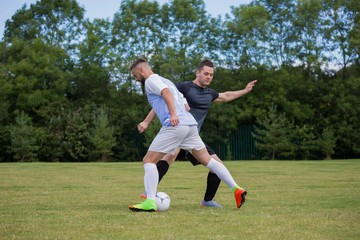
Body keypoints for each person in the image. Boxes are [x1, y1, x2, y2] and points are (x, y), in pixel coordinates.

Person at [128, 58, 247, 212]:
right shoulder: (166, 81)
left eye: (135, 75)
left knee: (149, 160)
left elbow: (165, 93)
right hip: (190, 125)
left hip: (176, 124)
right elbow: (185, 105)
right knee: (209, 161)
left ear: (142, 70)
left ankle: (150, 201)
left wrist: (172, 114)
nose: (136, 79)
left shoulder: (151, 80)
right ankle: (236, 189)